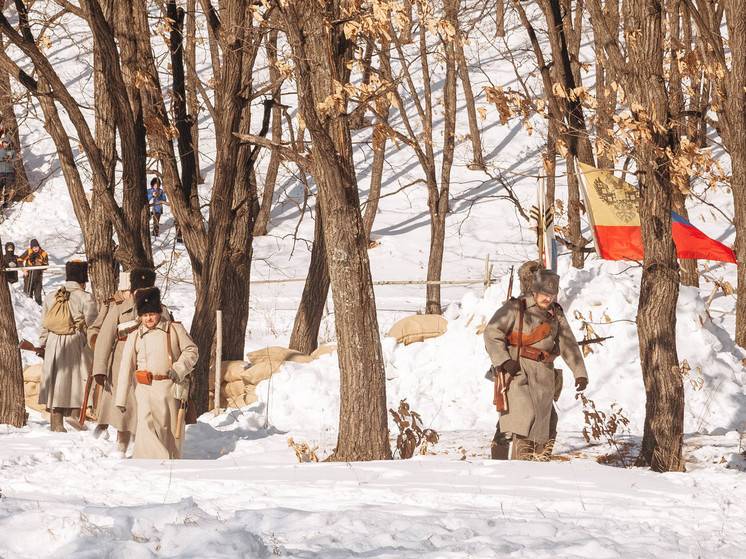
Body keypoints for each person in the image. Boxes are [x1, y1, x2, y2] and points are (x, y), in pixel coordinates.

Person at [484, 268, 589, 460]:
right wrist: (504, 360)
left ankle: (539, 464)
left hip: (543, 374)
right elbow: (492, 333)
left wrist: (579, 372)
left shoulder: (555, 313)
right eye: (544, 294)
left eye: (551, 295)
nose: (548, 299)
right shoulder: (516, 308)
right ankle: (514, 466)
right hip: (518, 371)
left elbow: (568, 343)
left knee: (547, 422)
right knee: (525, 419)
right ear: (535, 291)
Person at [116, 287, 198, 459]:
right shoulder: (135, 336)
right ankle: (149, 464)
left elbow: (191, 351)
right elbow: (126, 367)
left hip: (169, 389)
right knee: (146, 428)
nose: (149, 318)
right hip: (144, 390)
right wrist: (121, 399)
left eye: (152, 314)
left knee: (168, 431)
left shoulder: (174, 330)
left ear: (159, 312)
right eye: (145, 315)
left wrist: (179, 368)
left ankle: (169, 463)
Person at [88, 268, 157, 453]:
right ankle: (121, 445)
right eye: (139, 290)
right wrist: (100, 368)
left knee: (146, 406)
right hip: (121, 364)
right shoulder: (119, 308)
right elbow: (104, 338)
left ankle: (143, 445)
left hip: (150, 363)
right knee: (123, 407)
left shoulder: (160, 310)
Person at [38, 260, 97, 432]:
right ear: (83, 280)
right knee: (75, 380)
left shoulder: (51, 296)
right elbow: (92, 324)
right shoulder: (85, 297)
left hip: (53, 342)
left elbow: (44, 324)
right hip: (74, 341)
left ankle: (56, 423)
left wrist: (43, 344)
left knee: (56, 380)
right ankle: (75, 416)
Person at [18, 238, 48, 305]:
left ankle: (39, 310)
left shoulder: (43, 253)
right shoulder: (28, 251)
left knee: (38, 297)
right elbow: (19, 260)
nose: (35, 249)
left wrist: (40, 263)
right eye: (34, 247)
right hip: (28, 277)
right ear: (31, 247)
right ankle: (28, 311)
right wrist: (24, 270)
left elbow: (46, 266)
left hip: (38, 278)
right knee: (28, 296)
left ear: (38, 246)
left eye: (36, 247)